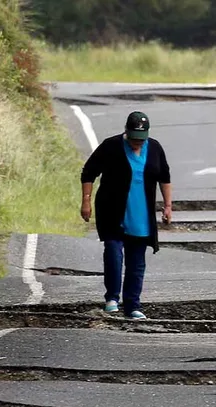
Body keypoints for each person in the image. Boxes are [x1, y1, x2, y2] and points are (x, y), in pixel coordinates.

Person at [80, 111, 172, 319]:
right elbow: (88, 172)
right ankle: (112, 297)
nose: (137, 143)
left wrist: (167, 206)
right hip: (112, 209)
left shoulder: (155, 148)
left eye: (141, 139)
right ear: (126, 132)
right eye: (133, 139)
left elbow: (164, 177)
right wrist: (86, 201)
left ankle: (133, 305)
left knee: (136, 260)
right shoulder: (110, 146)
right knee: (113, 251)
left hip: (141, 212)